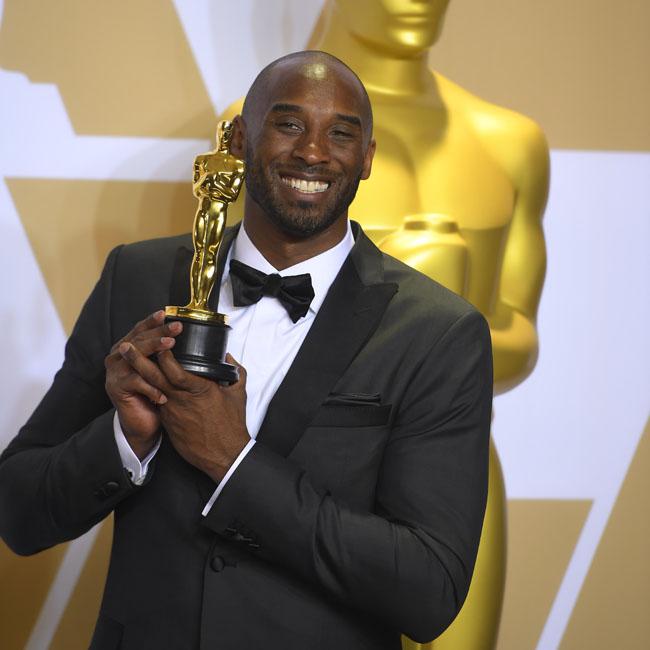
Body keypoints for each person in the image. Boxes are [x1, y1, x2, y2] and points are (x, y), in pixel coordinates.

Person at [0, 51, 492, 650]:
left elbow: (428, 588)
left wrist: (235, 462)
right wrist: (124, 438)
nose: (313, 152)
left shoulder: (438, 332)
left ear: (367, 159)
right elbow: (18, 511)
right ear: (238, 139)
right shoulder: (138, 278)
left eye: (340, 134)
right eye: (289, 124)